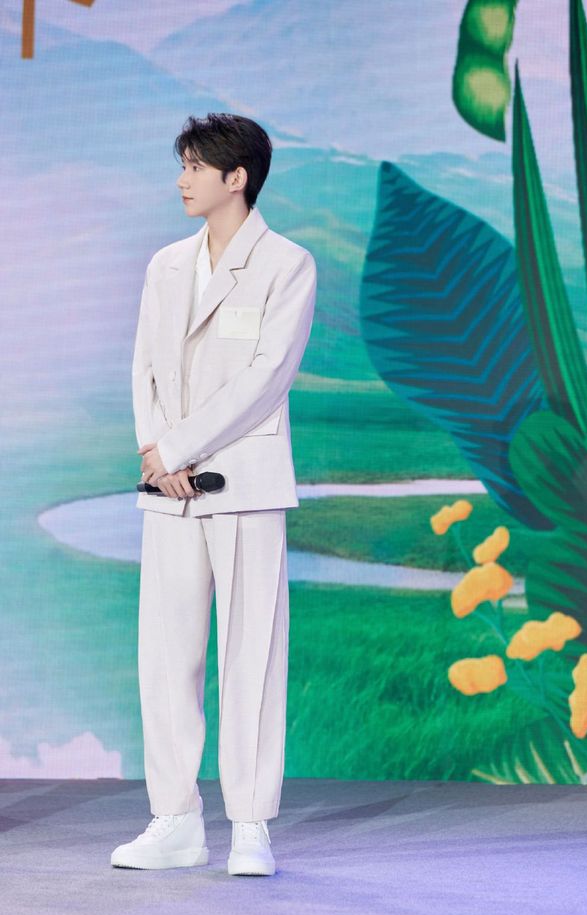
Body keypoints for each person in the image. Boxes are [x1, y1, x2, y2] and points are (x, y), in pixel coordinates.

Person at [110, 113, 317, 875]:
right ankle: (174, 821)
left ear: (237, 178)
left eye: (196, 167)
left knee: (250, 654)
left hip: (245, 485)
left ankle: (251, 826)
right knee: (166, 655)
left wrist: (178, 447)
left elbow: (266, 378)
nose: (182, 180)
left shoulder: (287, 264)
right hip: (167, 487)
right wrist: (154, 451)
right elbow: (144, 367)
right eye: (183, 165)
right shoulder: (166, 264)